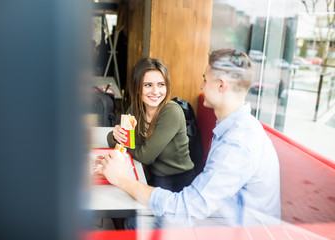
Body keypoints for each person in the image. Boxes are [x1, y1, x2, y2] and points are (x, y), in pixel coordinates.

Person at [102, 49, 281, 227]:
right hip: (216, 218)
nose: (201, 86)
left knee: (135, 224)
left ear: (221, 85)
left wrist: (122, 179)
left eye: (205, 79)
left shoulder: (237, 144)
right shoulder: (231, 129)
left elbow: (186, 208)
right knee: (135, 220)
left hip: (238, 232)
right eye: (148, 85)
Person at [107, 57, 196, 192]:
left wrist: (124, 144)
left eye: (161, 84)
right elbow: (113, 141)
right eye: (148, 85)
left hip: (179, 182)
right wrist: (115, 136)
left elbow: (145, 157)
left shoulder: (172, 112)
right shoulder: (136, 108)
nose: (155, 91)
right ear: (137, 87)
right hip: (153, 177)